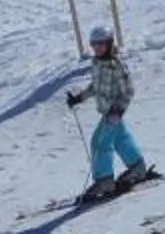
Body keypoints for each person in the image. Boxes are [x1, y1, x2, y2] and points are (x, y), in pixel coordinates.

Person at [64, 26, 154, 202]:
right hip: (107, 111)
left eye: (101, 44)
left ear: (109, 43)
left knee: (99, 143)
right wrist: (79, 98)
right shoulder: (97, 63)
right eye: (94, 44)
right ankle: (137, 167)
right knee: (121, 138)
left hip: (113, 112)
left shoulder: (116, 65)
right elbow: (96, 87)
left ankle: (104, 181)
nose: (97, 48)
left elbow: (128, 90)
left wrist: (118, 110)